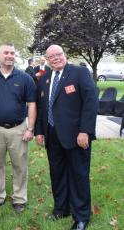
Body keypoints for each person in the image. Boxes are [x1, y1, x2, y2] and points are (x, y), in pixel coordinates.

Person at [35, 45, 98, 230]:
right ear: (47, 59)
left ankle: (81, 216)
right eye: (51, 56)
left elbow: (91, 102)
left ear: (65, 55)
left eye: (59, 54)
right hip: (52, 135)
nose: (56, 58)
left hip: (77, 136)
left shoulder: (80, 73)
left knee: (79, 176)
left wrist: (85, 130)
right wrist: (39, 131)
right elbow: (42, 107)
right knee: (58, 174)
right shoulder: (45, 78)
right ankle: (61, 209)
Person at [0, 43, 36, 213]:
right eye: (6, 52)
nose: (9, 55)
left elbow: (32, 104)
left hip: (18, 129)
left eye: (12, 53)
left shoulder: (25, 78)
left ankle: (19, 198)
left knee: (19, 165)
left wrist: (30, 129)